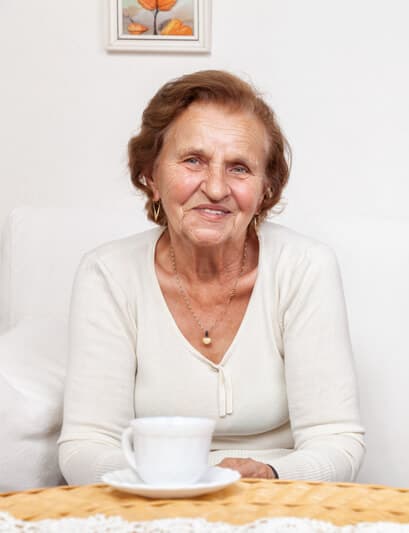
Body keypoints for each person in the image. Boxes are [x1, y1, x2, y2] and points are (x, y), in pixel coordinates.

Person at [58, 70, 364, 484]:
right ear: (151, 176)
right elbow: (85, 446)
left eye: (239, 168)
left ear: (264, 191)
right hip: (150, 499)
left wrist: (272, 473)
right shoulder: (108, 274)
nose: (216, 187)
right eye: (193, 161)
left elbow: (337, 441)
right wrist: (177, 477)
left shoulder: (305, 267)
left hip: (278, 497)